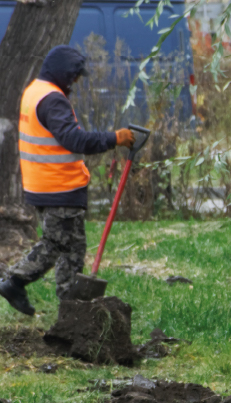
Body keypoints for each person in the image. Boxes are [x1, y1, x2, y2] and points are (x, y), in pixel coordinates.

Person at [0, 46, 135, 316]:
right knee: (57, 243)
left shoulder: (35, 91)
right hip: (57, 186)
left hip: (46, 184)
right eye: (74, 76)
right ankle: (15, 281)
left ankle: (70, 309)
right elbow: (74, 140)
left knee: (73, 248)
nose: (76, 81)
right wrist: (114, 138)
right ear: (62, 72)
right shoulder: (52, 100)